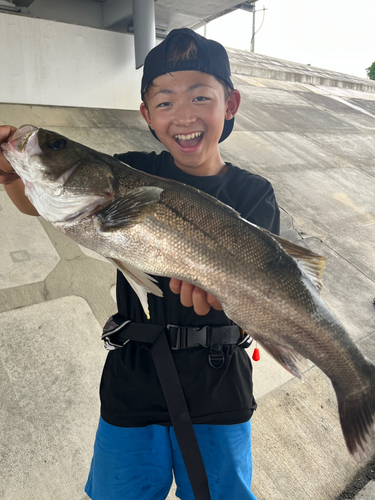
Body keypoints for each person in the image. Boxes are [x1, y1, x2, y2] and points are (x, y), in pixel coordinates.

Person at [0, 28, 280, 500]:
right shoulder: (126, 169)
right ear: (147, 115)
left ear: (229, 104)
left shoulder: (254, 194)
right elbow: (48, 203)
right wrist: (14, 174)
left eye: (199, 96)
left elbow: (269, 286)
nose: (184, 115)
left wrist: (223, 300)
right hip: (133, 378)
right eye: (165, 102)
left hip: (219, 383)